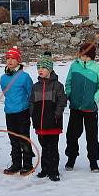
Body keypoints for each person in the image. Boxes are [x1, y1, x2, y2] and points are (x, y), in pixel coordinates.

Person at [64, 42, 99, 173]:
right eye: (82, 55)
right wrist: (70, 95)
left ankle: (93, 161)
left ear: (91, 56)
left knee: (92, 136)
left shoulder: (97, 68)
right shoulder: (74, 66)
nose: (84, 58)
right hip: (75, 107)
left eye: (87, 56)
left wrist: (93, 100)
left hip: (90, 108)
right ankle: (71, 158)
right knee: (72, 134)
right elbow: (68, 82)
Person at [30, 52, 67, 181]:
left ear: (50, 69)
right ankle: (45, 169)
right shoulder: (36, 87)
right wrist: (33, 115)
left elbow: (62, 101)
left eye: (44, 68)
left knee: (52, 147)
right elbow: (32, 102)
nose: (40, 70)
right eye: (39, 67)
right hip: (40, 124)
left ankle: (54, 170)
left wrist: (57, 114)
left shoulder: (57, 85)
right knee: (44, 146)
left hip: (53, 123)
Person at [0, 46, 34, 175]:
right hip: (9, 112)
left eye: (13, 58)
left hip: (22, 111)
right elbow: (5, 92)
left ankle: (27, 164)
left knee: (23, 138)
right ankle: (16, 163)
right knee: (13, 139)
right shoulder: (3, 78)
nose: (10, 61)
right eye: (8, 58)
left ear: (18, 61)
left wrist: (30, 110)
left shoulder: (24, 77)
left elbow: (30, 93)